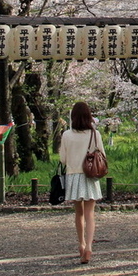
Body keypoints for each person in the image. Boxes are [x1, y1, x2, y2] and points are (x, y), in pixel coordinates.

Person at [58, 101, 105, 264]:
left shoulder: (66, 135)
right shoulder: (95, 134)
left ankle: (81, 244)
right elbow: (102, 155)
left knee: (78, 213)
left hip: (73, 176)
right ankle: (89, 248)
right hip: (90, 175)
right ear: (89, 116)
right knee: (90, 213)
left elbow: (62, 159)